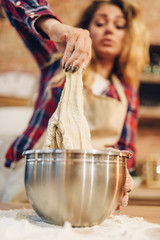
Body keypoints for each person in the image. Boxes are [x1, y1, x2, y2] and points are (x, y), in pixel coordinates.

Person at [1, 0, 149, 208]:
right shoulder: (58, 61)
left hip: (90, 191)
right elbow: (10, 4)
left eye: (119, 26)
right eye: (100, 23)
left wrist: (120, 172)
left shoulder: (126, 92)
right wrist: (53, 27)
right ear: (87, 29)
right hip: (34, 182)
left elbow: (124, 148)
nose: (109, 30)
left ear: (128, 37)